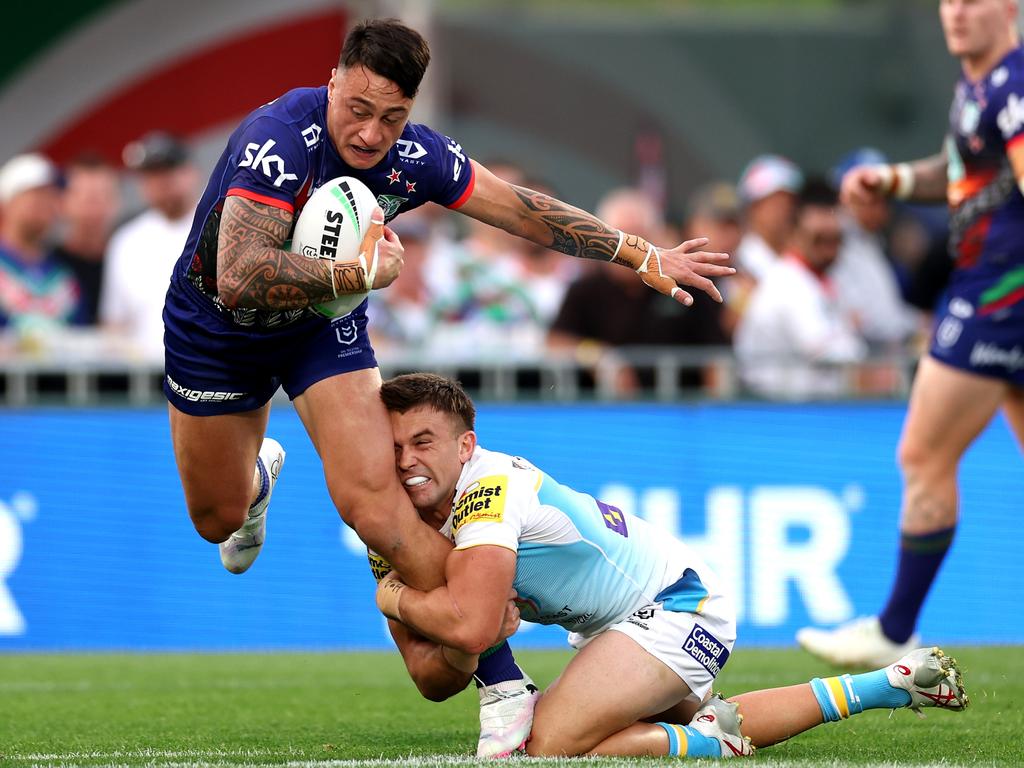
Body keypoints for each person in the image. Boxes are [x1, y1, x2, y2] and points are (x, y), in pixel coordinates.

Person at [160, 18, 731, 756]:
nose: (370, 133)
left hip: (318, 331)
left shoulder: (414, 156)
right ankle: (258, 479)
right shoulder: (278, 139)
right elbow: (240, 273)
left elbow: (520, 208)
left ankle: (501, 678)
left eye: (391, 117)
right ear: (333, 81)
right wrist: (357, 274)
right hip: (217, 332)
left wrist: (638, 252)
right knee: (216, 519)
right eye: (357, 109)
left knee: (376, 503)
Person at [372, 372, 968, 758]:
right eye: (395, 448)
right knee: (722, 720)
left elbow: (471, 629)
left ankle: (708, 747)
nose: (406, 462)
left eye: (423, 442)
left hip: (676, 608)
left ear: (466, 447)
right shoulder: (395, 525)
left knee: (549, 742)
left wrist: (398, 601)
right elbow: (433, 679)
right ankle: (893, 683)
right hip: (626, 622)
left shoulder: (490, 486)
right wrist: (458, 637)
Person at [798, 0, 1024, 667]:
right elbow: (963, 170)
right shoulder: (980, 86)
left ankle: (894, 629)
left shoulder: (1012, 84)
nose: (956, 12)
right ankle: (893, 628)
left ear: (1010, 5)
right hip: (1001, 294)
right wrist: (894, 179)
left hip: (997, 296)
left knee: (924, 457)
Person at [548, 188, 728, 396]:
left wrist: (716, 409)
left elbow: (715, 354)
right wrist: (596, 355)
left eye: (637, 239)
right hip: (604, 412)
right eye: (620, 240)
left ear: (655, 238)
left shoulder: (688, 284)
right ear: (602, 242)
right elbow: (556, 341)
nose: (630, 251)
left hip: (682, 409)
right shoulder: (586, 288)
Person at [734, 179, 868, 400]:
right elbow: (831, 355)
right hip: (774, 415)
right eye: (820, 239)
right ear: (793, 232)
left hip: (802, 412)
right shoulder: (788, 283)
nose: (829, 246)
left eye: (834, 240)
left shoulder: (818, 280)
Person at [100, 132, 199, 362]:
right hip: (143, 379)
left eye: (169, 169)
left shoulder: (219, 227)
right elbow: (114, 323)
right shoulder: (126, 241)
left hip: (210, 372)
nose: (161, 181)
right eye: (152, 174)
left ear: (191, 172)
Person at [0, 153, 86, 336]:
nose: (45, 204)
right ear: (8, 202)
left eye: (51, 196)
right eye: (35, 195)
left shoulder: (63, 278)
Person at [52, 154, 122, 325]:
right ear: (62, 203)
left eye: (104, 196)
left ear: (117, 202)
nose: (95, 206)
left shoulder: (134, 263)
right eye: (86, 197)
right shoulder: (46, 266)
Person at [734, 154, 803, 282]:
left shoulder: (806, 255)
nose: (787, 209)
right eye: (776, 202)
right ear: (753, 208)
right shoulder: (737, 263)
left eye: (792, 202)